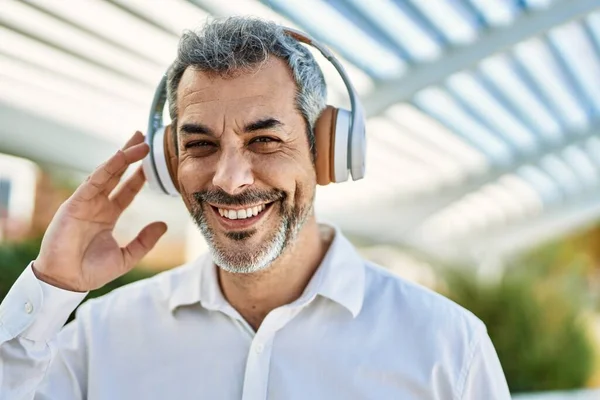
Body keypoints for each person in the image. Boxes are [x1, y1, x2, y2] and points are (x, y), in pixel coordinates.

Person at [0, 17, 510, 399]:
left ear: (328, 152)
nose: (229, 179)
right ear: (168, 162)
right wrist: (49, 289)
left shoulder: (449, 349)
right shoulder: (98, 338)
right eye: (199, 145)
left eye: (264, 140)